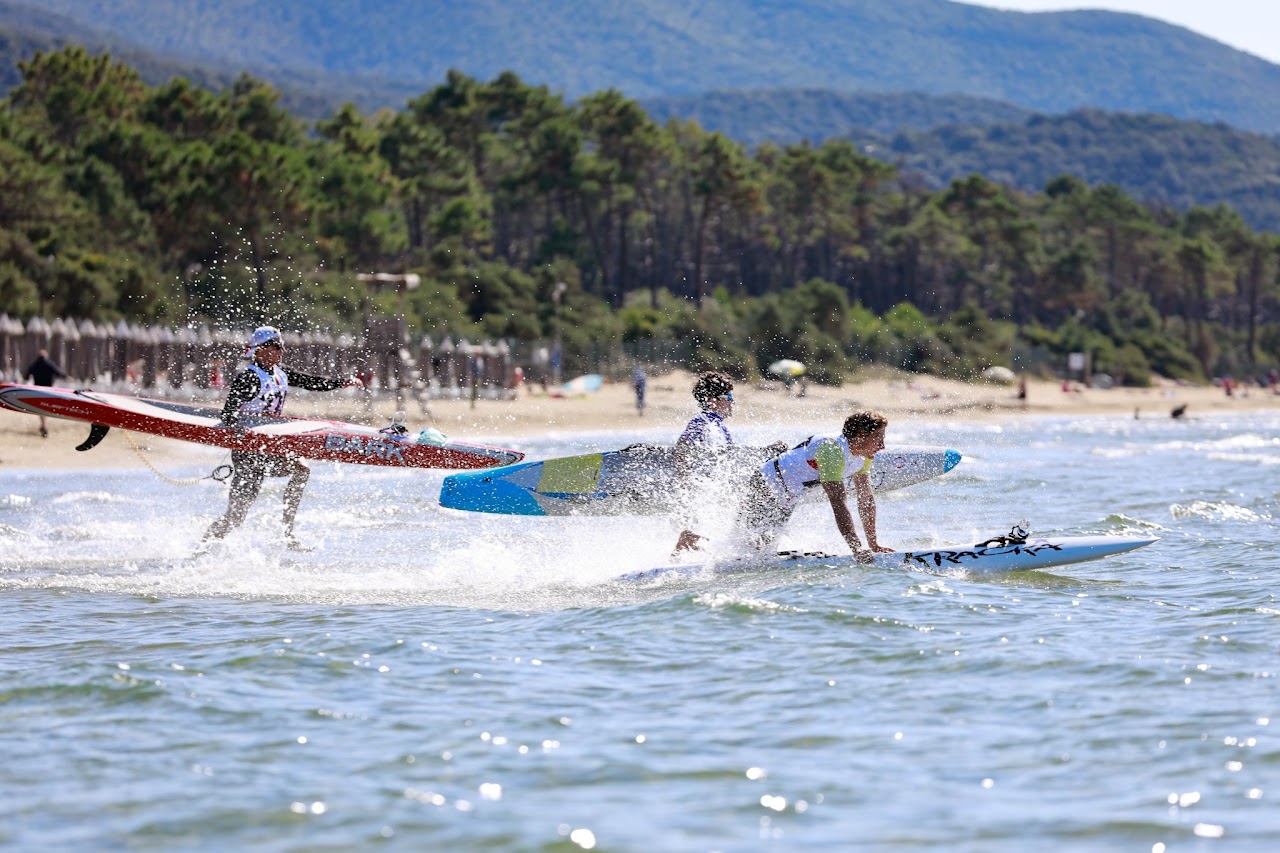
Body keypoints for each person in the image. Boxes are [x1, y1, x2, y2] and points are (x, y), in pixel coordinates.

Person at [203, 326, 363, 551]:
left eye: (281, 346)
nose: (281, 351)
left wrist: (342, 382)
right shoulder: (248, 377)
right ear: (260, 350)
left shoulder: (280, 373)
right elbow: (228, 414)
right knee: (235, 518)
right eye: (276, 346)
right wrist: (240, 429)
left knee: (301, 470)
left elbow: (313, 383)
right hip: (248, 454)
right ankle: (201, 548)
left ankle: (287, 535)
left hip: (268, 448)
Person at [680, 411, 896, 561]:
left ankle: (695, 541)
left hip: (788, 495)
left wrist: (873, 544)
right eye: (878, 439)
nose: (882, 446)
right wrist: (857, 548)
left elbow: (866, 498)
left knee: (758, 551)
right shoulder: (832, 450)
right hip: (766, 484)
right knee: (744, 548)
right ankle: (691, 539)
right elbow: (839, 503)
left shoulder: (863, 455)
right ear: (860, 436)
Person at [671, 371, 786, 552]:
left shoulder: (720, 428)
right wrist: (685, 480)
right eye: (729, 397)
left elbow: (732, 459)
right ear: (713, 400)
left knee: (739, 535)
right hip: (708, 493)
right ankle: (684, 544)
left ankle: (684, 551)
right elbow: (681, 448)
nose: (732, 401)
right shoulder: (701, 421)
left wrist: (769, 451)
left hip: (720, 490)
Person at [25, 349, 68, 438]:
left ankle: (43, 425)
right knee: (45, 408)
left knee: (41, 408)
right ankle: (44, 425)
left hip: (38, 390)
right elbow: (58, 372)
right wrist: (66, 376)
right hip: (48, 390)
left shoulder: (35, 365)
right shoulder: (49, 364)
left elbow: (26, 376)